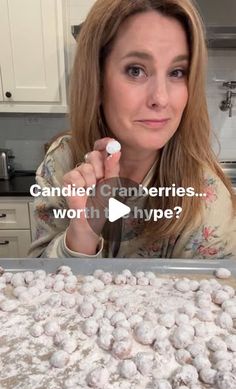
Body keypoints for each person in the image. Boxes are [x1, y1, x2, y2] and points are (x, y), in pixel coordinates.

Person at [28, 0, 236, 259]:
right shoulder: (62, 163)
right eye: (136, 70)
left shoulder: (205, 200)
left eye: (177, 72)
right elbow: (35, 284)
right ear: (98, 80)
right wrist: (82, 235)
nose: (161, 98)